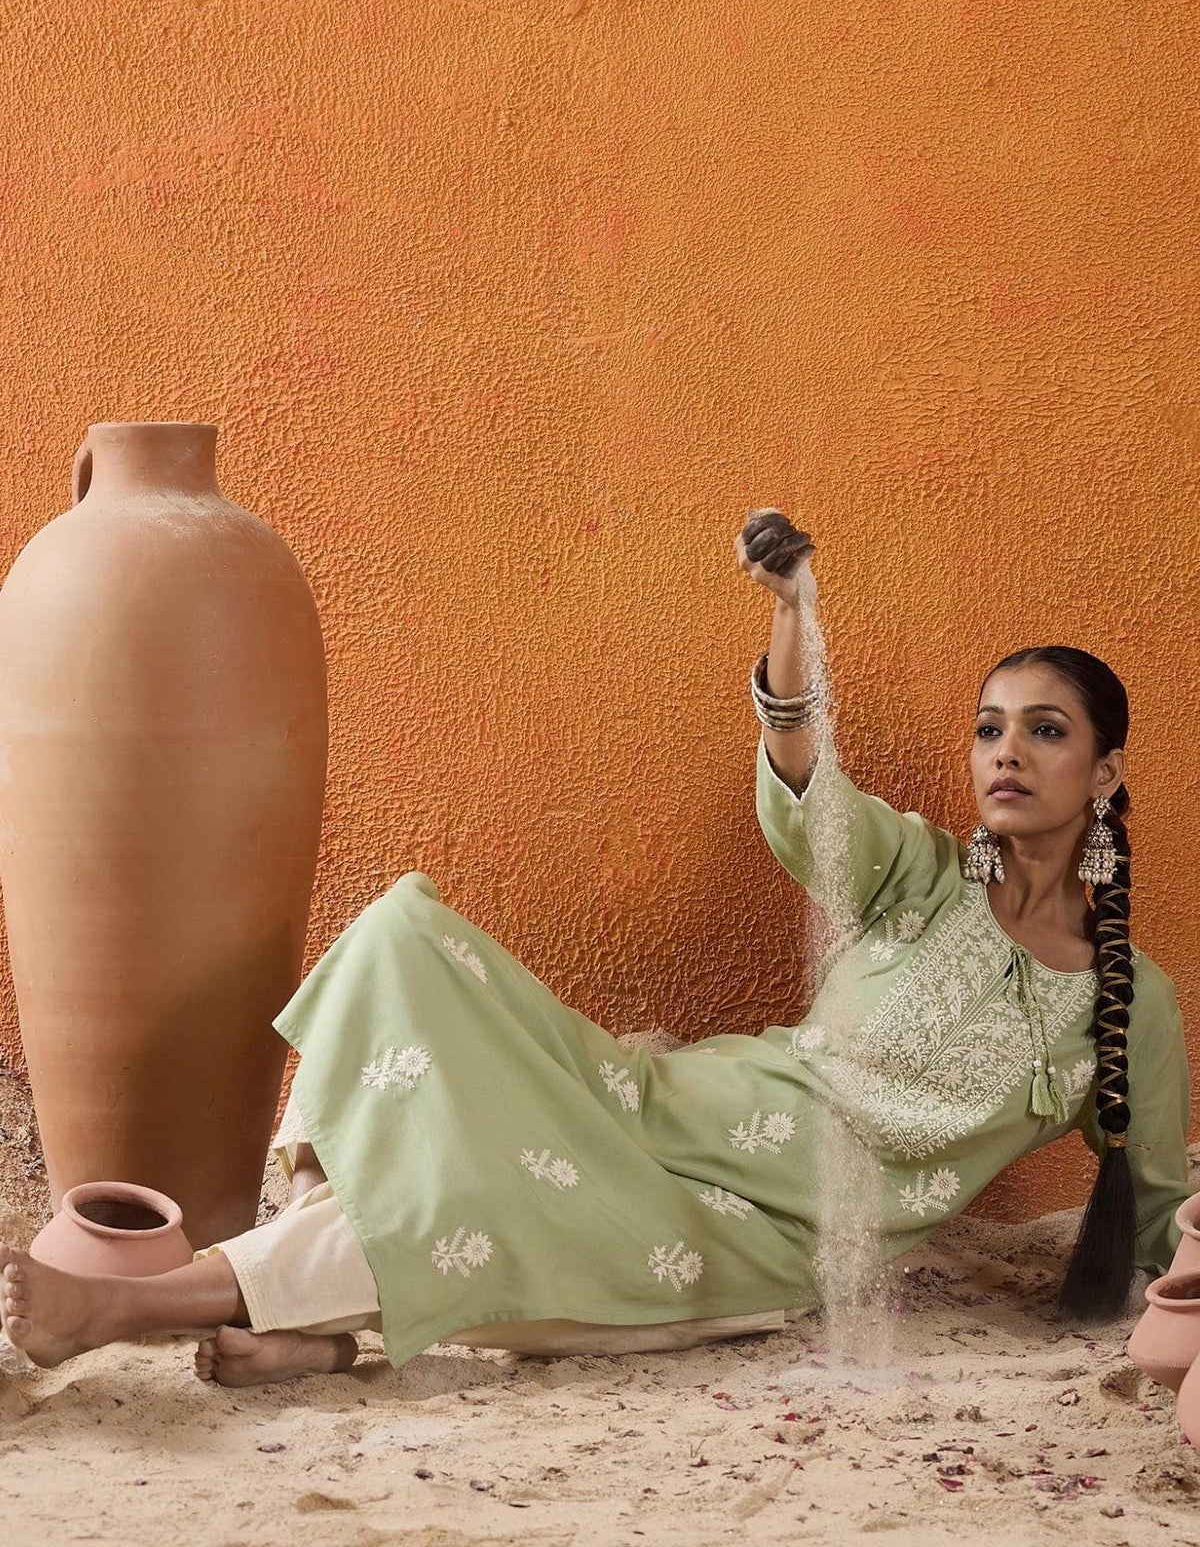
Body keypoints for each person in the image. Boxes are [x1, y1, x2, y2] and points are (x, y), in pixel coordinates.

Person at [0, 512, 1191, 1384]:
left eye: (1045, 730)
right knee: (401, 932)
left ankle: (121, 1308)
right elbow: (804, 781)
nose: (1006, 751)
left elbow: (1162, 1207)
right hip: (654, 1101)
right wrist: (795, 612)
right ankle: (303, 1312)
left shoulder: (1126, 1004)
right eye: (989, 727)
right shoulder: (921, 874)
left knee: (478, 1199)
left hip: (748, 1236)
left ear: (1106, 771)